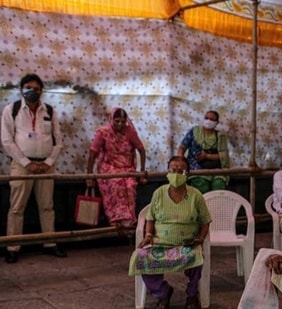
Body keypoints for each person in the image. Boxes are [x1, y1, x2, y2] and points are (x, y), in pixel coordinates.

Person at [128, 156, 211, 309]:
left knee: (196, 258)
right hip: (161, 242)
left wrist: (200, 238)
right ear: (167, 171)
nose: (176, 174)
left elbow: (205, 221)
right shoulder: (159, 193)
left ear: (188, 174)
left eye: (181, 171)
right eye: (173, 170)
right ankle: (163, 292)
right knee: (141, 258)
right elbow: (150, 218)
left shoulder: (196, 195)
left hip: (187, 243)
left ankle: (192, 295)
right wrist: (147, 236)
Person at [1, 73, 66, 263]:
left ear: (42, 91)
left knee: (47, 207)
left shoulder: (50, 111)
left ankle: (50, 244)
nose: (32, 91)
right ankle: (13, 247)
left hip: (46, 166)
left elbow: (59, 142)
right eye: (28, 87)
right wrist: (26, 162)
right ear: (21, 90)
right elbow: (7, 141)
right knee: (16, 208)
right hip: (21, 166)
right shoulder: (11, 110)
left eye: (36, 89)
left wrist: (46, 163)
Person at [86, 107, 147, 228]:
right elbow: (92, 154)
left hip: (127, 168)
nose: (120, 124)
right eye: (117, 121)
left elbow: (141, 150)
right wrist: (89, 176)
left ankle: (129, 220)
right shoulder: (103, 132)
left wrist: (142, 171)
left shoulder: (130, 132)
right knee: (116, 183)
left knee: (130, 186)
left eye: (123, 121)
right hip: (108, 168)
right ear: (111, 119)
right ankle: (116, 220)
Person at [177, 110, 230, 194]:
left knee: (218, 185)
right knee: (202, 186)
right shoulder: (194, 131)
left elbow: (223, 156)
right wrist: (180, 160)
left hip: (215, 169)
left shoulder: (220, 136)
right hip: (196, 169)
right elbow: (182, 147)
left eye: (212, 119)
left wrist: (207, 156)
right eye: (206, 118)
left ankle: (216, 207)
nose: (208, 121)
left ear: (217, 122)